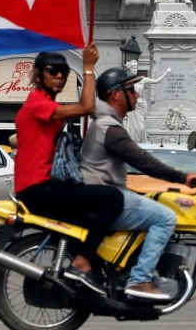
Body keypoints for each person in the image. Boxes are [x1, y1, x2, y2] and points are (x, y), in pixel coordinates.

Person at [81, 67, 196, 301]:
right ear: (116, 95)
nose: (138, 95)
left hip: (105, 194)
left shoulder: (107, 123)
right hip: (105, 198)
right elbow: (142, 161)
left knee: (154, 206)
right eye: (131, 89)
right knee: (165, 217)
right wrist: (183, 177)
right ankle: (140, 279)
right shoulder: (108, 127)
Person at [14, 46, 123, 294]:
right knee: (112, 198)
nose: (60, 76)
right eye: (54, 71)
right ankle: (82, 264)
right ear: (39, 75)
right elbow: (86, 107)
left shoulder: (44, 104)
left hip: (44, 184)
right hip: (38, 187)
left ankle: (90, 273)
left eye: (64, 71)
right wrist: (87, 68)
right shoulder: (38, 104)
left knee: (92, 224)